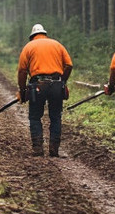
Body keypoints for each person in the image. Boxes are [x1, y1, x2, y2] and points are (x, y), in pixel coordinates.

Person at [17, 23, 73, 157]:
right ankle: (54, 149)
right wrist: (63, 81)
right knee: (55, 117)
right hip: (56, 84)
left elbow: (22, 71)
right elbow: (69, 65)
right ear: (44, 34)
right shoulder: (57, 45)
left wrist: (23, 89)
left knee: (35, 116)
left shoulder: (29, 46)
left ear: (32, 36)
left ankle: (38, 149)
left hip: (37, 85)